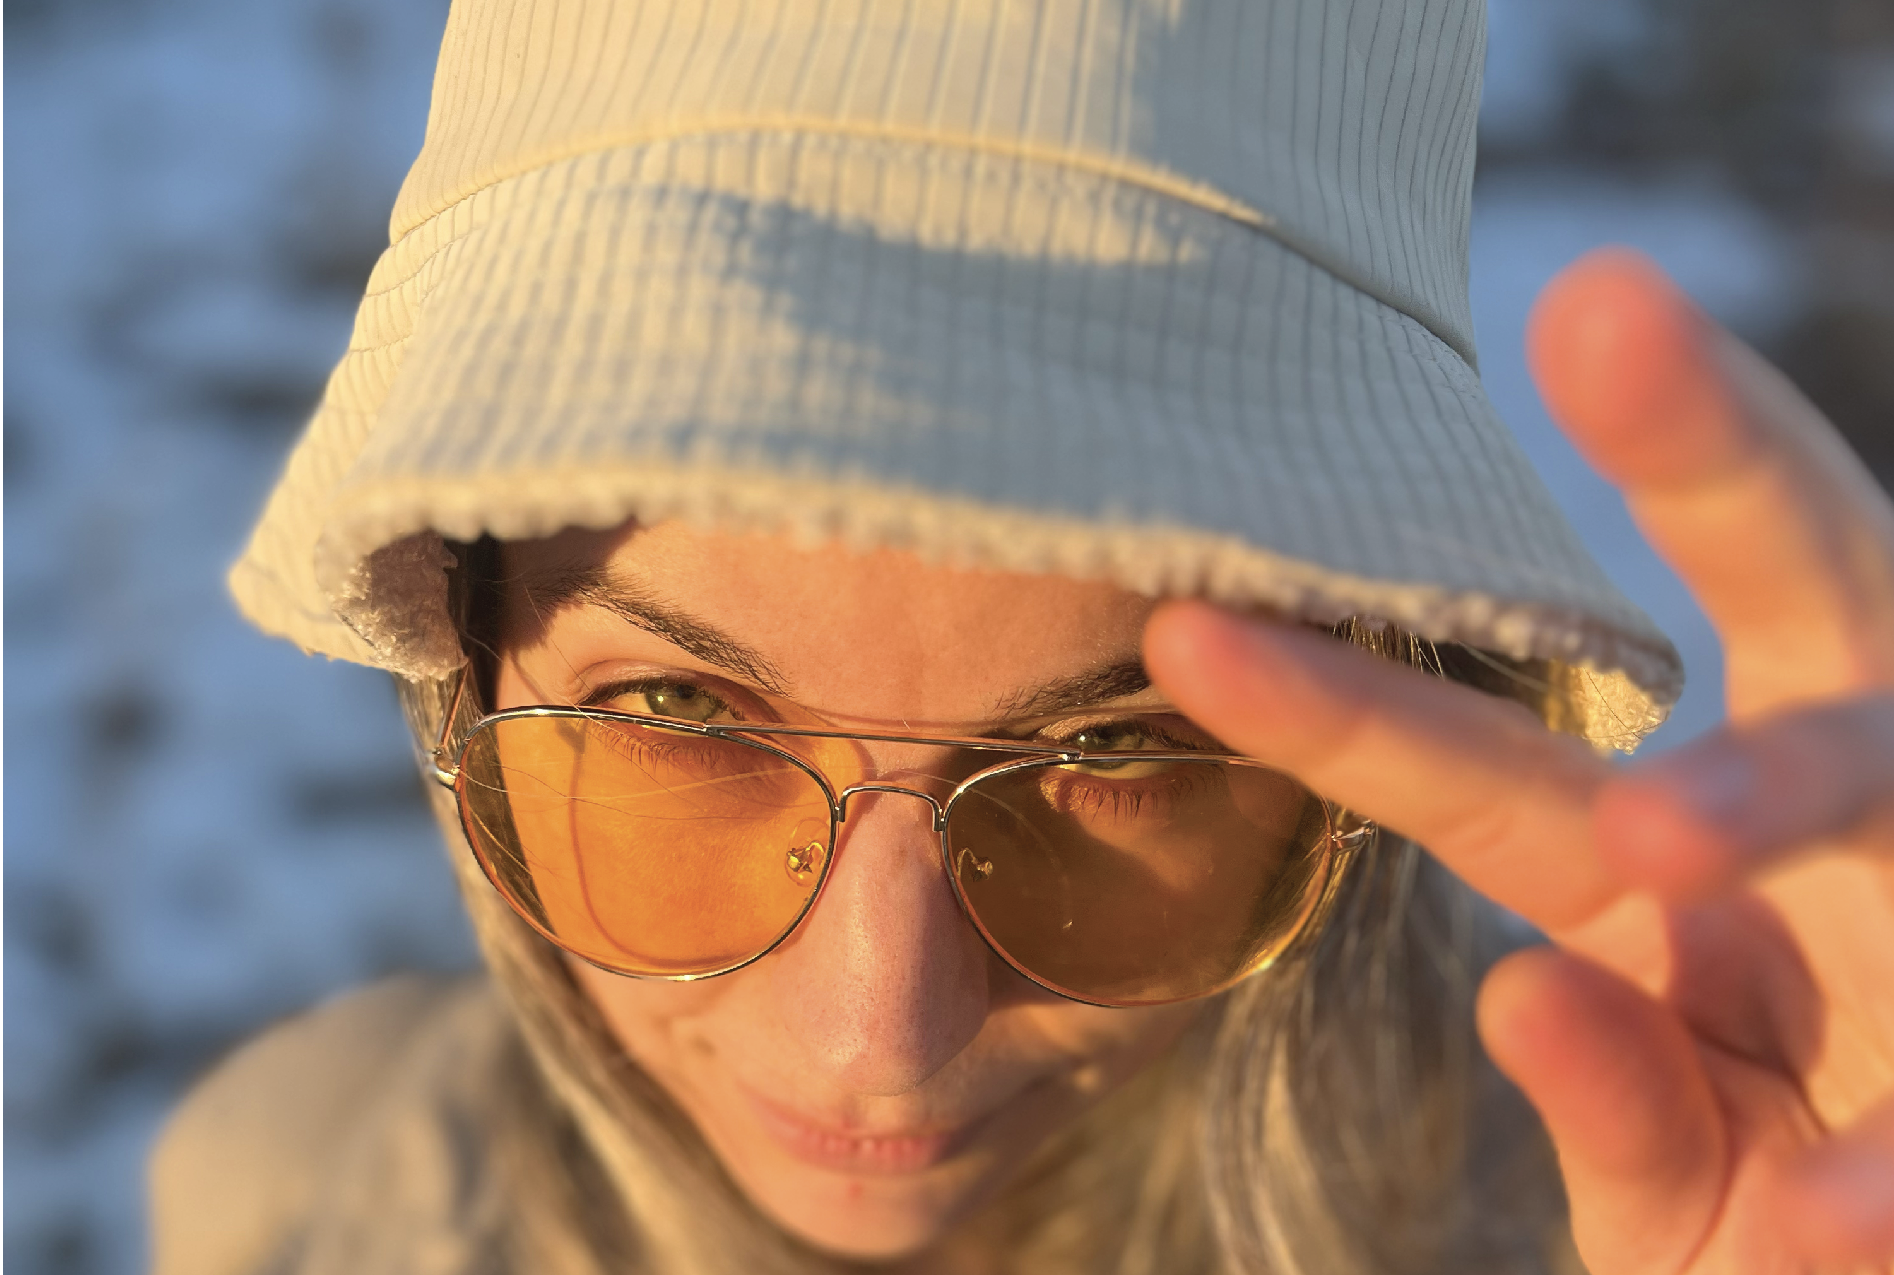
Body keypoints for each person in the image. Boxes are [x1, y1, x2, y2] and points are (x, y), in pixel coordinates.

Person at [150, 1, 1894, 1272]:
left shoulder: (1657, 1206)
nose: (880, 1034)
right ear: (464, 663)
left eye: (1117, 750)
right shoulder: (290, 1204)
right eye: (680, 709)